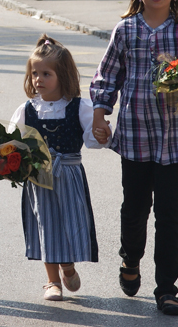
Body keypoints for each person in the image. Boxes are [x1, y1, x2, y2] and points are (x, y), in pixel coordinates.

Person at [89, 0, 178, 317]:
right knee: (135, 207)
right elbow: (107, 76)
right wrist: (100, 114)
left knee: (170, 214)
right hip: (135, 135)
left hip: (175, 137)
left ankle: (167, 289)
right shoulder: (126, 29)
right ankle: (130, 259)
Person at [11, 35, 107, 301]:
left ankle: (67, 266)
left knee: (69, 223)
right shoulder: (27, 109)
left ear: (63, 75)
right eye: (34, 74)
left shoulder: (79, 107)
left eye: (46, 73)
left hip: (69, 175)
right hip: (38, 177)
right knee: (45, 223)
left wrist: (101, 135)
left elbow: (92, 138)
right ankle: (52, 281)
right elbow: (10, 140)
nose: (38, 79)